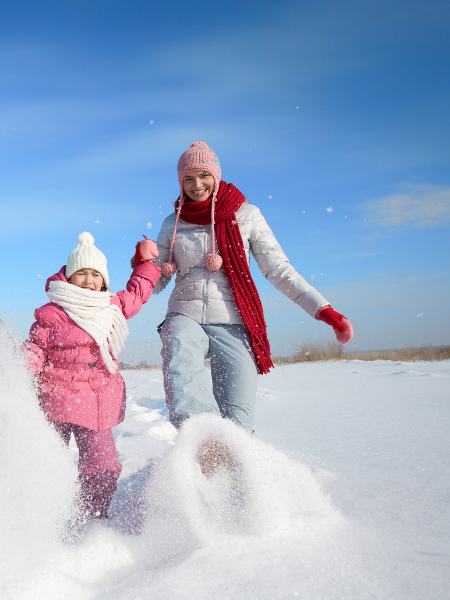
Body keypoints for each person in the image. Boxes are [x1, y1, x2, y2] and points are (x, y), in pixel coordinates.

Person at [153, 141, 353, 438]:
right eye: (188, 178)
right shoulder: (174, 222)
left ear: (217, 176)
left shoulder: (246, 214)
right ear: (180, 182)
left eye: (203, 176)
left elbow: (279, 270)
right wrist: (142, 265)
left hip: (235, 321)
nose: (197, 185)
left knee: (240, 425)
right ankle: (200, 438)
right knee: (179, 356)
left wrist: (323, 309)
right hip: (185, 312)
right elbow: (157, 277)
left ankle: (235, 472)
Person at [23, 231, 160, 523]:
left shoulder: (111, 307)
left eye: (95, 274)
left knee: (104, 466)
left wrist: (145, 263)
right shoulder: (52, 313)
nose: (88, 280)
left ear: (104, 281)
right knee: (47, 463)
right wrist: (17, 375)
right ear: (69, 278)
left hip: (95, 404)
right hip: (53, 403)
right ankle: (45, 516)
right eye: (81, 273)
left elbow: (138, 292)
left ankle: (91, 516)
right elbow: (34, 350)